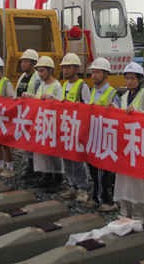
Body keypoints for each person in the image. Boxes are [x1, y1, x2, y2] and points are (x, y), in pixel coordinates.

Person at [114, 62, 144, 221]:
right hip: (127, 143)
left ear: (139, 79)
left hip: (141, 143)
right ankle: (126, 211)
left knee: (140, 181)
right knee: (125, 180)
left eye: (133, 78)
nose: (130, 81)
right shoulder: (124, 96)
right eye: (127, 78)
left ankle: (141, 214)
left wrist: (141, 114)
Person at [86, 57, 121, 212]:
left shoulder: (112, 93)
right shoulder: (93, 91)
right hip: (95, 136)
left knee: (105, 171)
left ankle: (107, 199)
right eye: (93, 72)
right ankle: (96, 196)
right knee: (94, 169)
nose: (94, 75)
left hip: (106, 137)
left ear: (106, 74)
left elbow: (119, 115)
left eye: (97, 72)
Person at [59, 53, 92, 202]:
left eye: (68, 67)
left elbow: (86, 108)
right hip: (66, 128)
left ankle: (82, 188)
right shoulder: (64, 85)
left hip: (77, 128)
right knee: (67, 158)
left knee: (78, 160)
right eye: (64, 67)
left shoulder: (82, 86)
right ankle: (71, 185)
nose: (65, 70)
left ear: (76, 68)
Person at [32, 55, 64, 191]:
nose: (40, 74)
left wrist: (52, 99)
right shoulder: (42, 85)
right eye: (39, 71)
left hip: (53, 123)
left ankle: (57, 177)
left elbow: (62, 104)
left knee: (54, 153)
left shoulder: (56, 86)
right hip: (43, 123)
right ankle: (46, 175)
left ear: (50, 70)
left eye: (42, 70)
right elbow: (38, 99)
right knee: (43, 151)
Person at [15, 49, 41, 179]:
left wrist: (32, 97)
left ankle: (36, 171)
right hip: (24, 116)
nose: (22, 64)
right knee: (26, 144)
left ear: (33, 63)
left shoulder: (37, 78)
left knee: (34, 145)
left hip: (34, 115)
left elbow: (40, 96)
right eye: (22, 61)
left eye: (26, 61)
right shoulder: (22, 77)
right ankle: (29, 168)